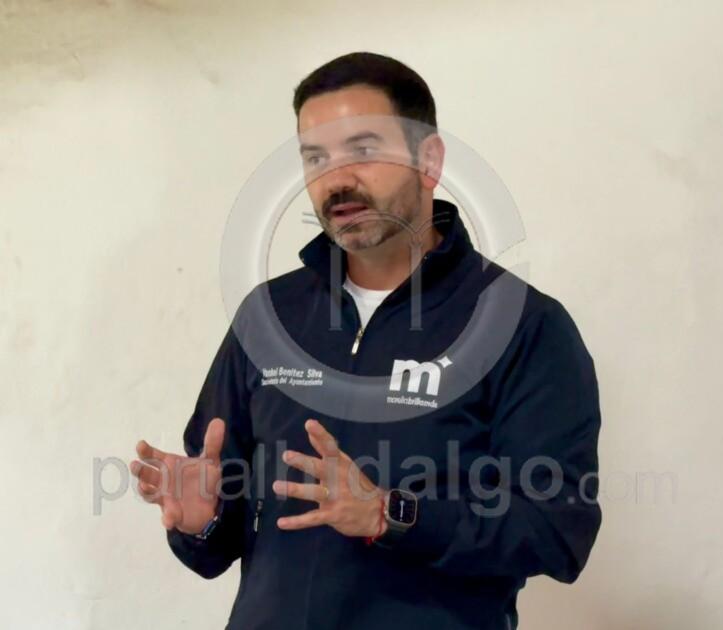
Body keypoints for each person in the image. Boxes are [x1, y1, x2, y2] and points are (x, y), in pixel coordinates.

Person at [130, 51, 602, 630]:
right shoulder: (269, 315)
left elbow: (559, 531)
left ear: (429, 161)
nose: (336, 180)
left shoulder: (521, 323)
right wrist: (201, 520)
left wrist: (391, 513)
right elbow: (216, 542)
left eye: (363, 150)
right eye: (316, 158)